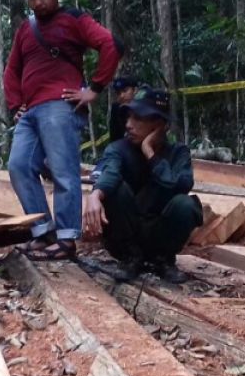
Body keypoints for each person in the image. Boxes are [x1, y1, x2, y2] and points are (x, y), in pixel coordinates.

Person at [3, 0, 121, 261]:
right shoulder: (25, 29)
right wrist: (15, 105)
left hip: (59, 105)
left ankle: (67, 240)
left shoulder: (74, 19)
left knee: (63, 171)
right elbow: (12, 69)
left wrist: (94, 88)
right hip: (30, 113)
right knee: (18, 165)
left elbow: (109, 44)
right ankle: (43, 232)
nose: (38, 2)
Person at [83, 88, 203, 283]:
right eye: (128, 118)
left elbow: (181, 185)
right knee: (115, 190)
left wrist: (150, 154)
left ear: (160, 125)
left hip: (159, 233)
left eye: (138, 118)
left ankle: (163, 261)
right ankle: (131, 259)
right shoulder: (118, 149)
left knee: (186, 204)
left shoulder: (178, 153)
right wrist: (96, 194)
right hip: (126, 232)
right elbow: (110, 172)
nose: (129, 125)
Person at [107, 76, 141, 145]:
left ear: (135, 90)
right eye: (118, 93)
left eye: (125, 91)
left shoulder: (146, 105)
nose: (122, 95)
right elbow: (114, 138)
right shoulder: (116, 109)